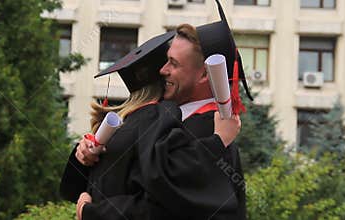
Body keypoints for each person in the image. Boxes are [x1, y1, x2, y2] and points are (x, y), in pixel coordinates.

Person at [60, 29, 242, 219]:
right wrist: (85, 154)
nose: (163, 70)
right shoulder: (158, 119)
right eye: (166, 60)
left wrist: (93, 213)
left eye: (173, 63)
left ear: (204, 74)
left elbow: (164, 208)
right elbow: (93, 184)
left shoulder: (208, 129)